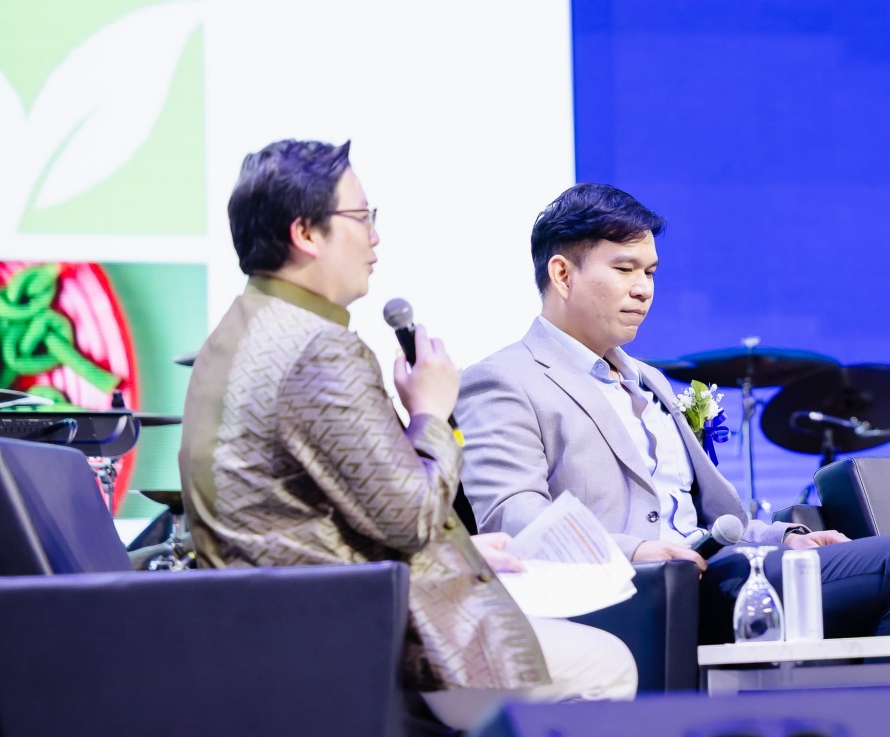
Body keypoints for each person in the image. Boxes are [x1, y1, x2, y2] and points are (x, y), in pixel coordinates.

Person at [180, 140, 637, 731]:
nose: (374, 237)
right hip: (346, 632)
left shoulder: (243, 329)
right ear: (306, 233)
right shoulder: (318, 349)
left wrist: (461, 553)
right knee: (607, 664)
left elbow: (336, 514)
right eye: (361, 217)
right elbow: (411, 518)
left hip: (287, 618)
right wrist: (430, 412)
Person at [459, 183, 890, 643]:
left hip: (713, 574)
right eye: (624, 269)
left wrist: (782, 538)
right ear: (563, 275)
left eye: (650, 272)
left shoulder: (649, 379)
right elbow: (514, 518)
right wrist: (636, 551)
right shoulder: (504, 379)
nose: (643, 289)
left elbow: (702, 521)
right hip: (635, 593)